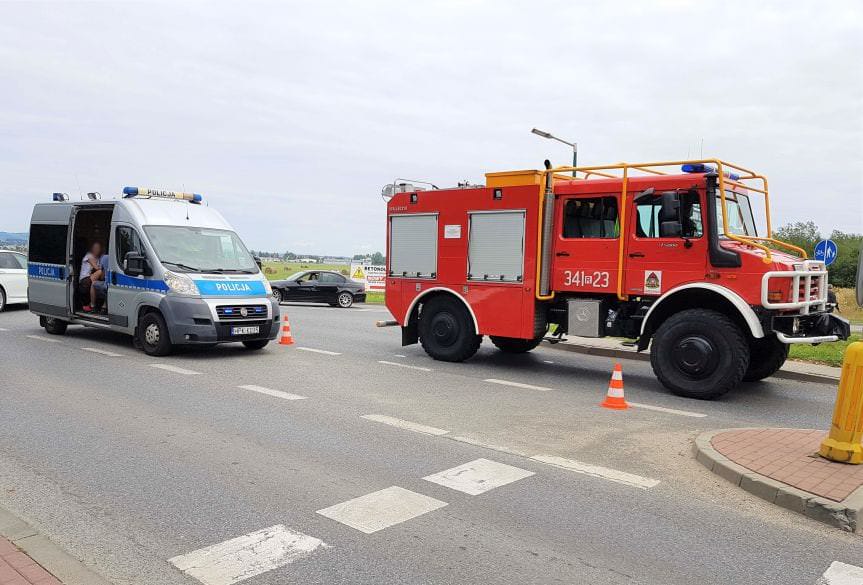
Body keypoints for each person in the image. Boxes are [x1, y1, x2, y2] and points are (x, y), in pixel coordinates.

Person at [79, 242, 103, 313]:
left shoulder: (98, 258)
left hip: (91, 278)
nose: (97, 250)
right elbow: (97, 267)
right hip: (84, 280)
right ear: (92, 249)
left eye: (98, 248)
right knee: (100, 272)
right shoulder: (89, 255)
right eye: (95, 248)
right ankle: (92, 305)